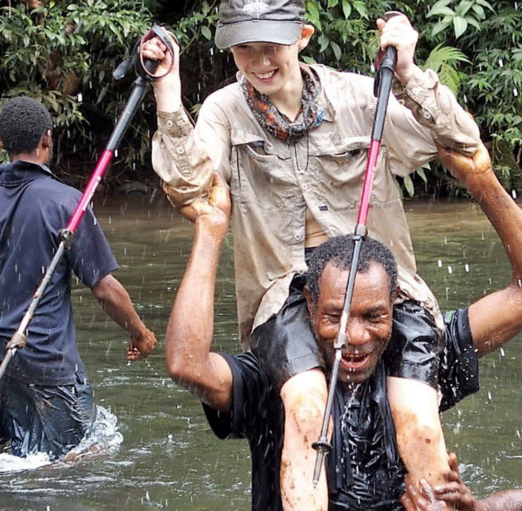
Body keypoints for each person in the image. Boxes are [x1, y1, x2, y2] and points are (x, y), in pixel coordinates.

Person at [141, 1, 485, 507]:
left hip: (382, 288)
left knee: (417, 415)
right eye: (245, 49)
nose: (259, 61)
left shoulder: (359, 95)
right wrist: (167, 91)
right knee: (304, 408)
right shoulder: (223, 110)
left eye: (271, 47)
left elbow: (461, 142)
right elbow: (191, 186)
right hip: (283, 296)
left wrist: (408, 71)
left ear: (303, 36)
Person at [163, 144, 522, 510]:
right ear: (308, 306)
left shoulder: (418, 358)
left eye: (373, 316)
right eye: (334, 316)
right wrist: (211, 228)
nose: (354, 337)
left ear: (397, 303)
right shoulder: (277, 377)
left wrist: (481, 182)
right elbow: (187, 364)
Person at [0, 96, 157, 460]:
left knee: (3, 452)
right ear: (47, 140)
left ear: (0, 142)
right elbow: (105, 288)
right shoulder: (67, 204)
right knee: (88, 453)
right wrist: (140, 333)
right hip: (48, 358)